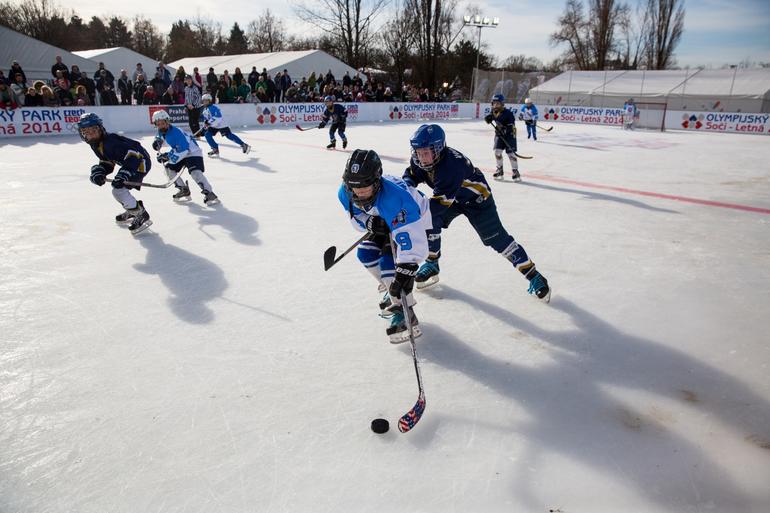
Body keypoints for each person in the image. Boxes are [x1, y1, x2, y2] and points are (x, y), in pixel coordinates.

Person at [404, 124, 551, 301]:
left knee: (498, 240)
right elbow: (410, 176)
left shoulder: (451, 166)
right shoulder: (420, 160)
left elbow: (437, 207)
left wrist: (409, 214)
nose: (421, 158)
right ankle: (432, 262)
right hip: (454, 198)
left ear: (438, 149)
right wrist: (404, 195)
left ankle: (534, 275)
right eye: (418, 153)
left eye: (425, 153)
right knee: (430, 222)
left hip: (478, 200)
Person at [338, 149, 432, 342]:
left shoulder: (396, 198)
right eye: (355, 188)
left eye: (365, 187)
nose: (360, 193)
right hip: (387, 218)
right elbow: (357, 218)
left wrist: (406, 269)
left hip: (415, 222)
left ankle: (406, 314)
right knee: (365, 254)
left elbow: (414, 244)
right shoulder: (345, 192)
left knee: (392, 265)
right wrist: (370, 222)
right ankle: (392, 292)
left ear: (377, 181)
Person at [77, 113, 153, 235]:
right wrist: (99, 171)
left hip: (140, 162)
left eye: (93, 129)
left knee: (118, 190)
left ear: (100, 128)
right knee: (120, 188)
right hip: (131, 162)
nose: (90, 133)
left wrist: (124, 173)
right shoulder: (95, 144)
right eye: (86, 131)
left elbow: (134, 156)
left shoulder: (111, 142)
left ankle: (140, 213)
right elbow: (107, 161)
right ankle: (133, 208)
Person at [151, 110, 219, 205]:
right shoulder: (162, 131)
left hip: (192, 152)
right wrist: (157, 142)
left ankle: (209, 193)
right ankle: (183, 189)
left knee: (195, 172)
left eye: (162, 123)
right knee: (168, 169)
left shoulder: (176, 132)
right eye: (158, 124)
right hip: (180, 152)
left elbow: (183, 150)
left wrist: (167, 156)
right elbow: (160, 137)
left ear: (168, 121)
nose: (161, 126)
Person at [485, 94, 520, 181]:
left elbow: (512, 125)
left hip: (510, 135)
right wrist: (488, 119)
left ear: (502, 104)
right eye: (494, 103)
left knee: (511, 154)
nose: (496, 105)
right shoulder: (493, 111)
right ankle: (499, 169)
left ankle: (515, 171)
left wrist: (505, 130)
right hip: (499, 135)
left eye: (498, 104)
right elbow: (490, 118)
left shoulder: (508, 113)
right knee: (497, 152)